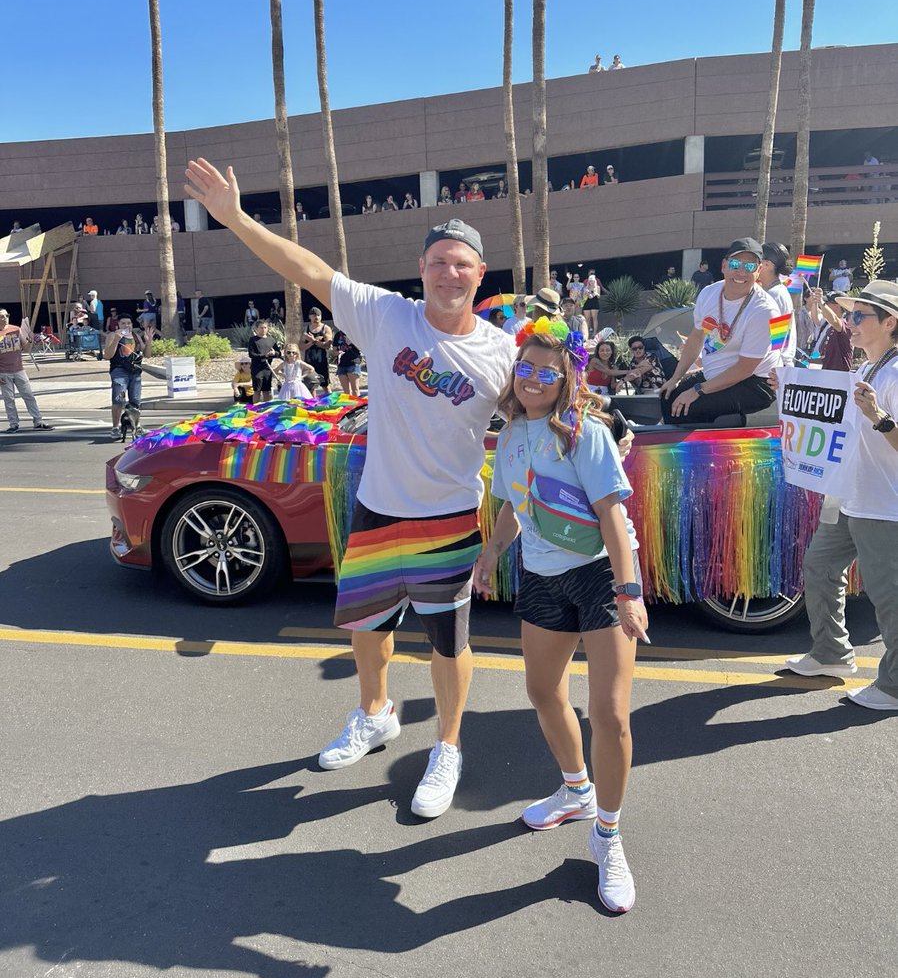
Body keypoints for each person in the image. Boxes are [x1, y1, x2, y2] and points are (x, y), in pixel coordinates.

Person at [185, 155, 519, 818]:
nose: (450, 272)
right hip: (377, 509)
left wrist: (598, 431)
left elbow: (541, 415)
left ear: (480, 275)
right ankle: (375, 714)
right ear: (421, 270)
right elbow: (303, 267)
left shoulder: (501, 352)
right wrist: (233, 218)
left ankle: (447, 747)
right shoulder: (384, 315)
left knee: (448, 644)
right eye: (438, 262)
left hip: (448, 518)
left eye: (463, 264)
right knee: (367, 627)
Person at [474, 321, 647, 913]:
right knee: (543, 690)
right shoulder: (512, 433)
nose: (534, 380)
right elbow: (513, 505)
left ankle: (608, 835)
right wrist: (493, 552)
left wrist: (629, 592)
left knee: (610, 714)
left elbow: (613, 519)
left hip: (599, 575)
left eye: (548, 371)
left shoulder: (584, 433)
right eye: (526, 368)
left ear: (567, 376)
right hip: (542, 576)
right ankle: (576, 790)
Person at [781, 280, 898, 711]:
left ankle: (895, 685)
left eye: (859, 316)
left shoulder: (895, 373)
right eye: (849, 314)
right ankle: (831, 653)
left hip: (885, 505)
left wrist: (880, 417)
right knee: (820, 566)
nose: (849, 322)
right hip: (853, 495)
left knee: (890, 597)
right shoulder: (868, 368)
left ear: (890, 323)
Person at [659, 237, 779, 424]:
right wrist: (676, 378)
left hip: (755, 382)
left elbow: (745, 368)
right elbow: (696, 337)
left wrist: (698, 390)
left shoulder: (764, 310)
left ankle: (700, 452)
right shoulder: (708, 293)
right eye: (735, 264)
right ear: (724, 266)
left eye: (749, 267)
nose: (741, 272)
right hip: (716, 373)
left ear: (759, 271)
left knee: (687, 409)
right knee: (668, 396)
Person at [0, 310, 52, 433]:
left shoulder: (16, 330)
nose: (5, 318)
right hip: (3, 371)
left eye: (7, 315)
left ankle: (38, 421)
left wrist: (29, 340)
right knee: (9, 399)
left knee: (28, 395)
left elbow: (25, 348)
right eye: (2, 316)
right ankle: (13, 424)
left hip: (18, 369)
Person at [103, 314, 145, 439]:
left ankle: (136, 426)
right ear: (118, 325)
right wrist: (116, 339)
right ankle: (115, 427)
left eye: (129, 323)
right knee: (118, 400)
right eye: (123, 323)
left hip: (135, 372)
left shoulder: (136, 336)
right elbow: (107, 355)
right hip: (119, 371)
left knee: (135, 401)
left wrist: (149, 341)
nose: (126, 325)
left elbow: (147, 353)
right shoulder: (112, 335)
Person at [758, 242, 796, 366]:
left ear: (767, 264)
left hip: (775, 369)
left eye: (757, 260)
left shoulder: (775, 294)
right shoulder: (775, 291)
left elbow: (777, 340)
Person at [805, 288, 852, 370]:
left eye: (827, 303)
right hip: (824, 373)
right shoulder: (826, 322)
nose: (823, 306)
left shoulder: (847, 325)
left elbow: (834, 320)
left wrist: (820, 301)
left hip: (838, 376)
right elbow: (815, 317)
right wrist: (815, 302)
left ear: (837, 306)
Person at [247, 319, 280, 403]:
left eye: (265, 327)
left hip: (267, 368)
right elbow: (251, 354)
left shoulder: (271, 340)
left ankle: (267, 408)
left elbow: (278, 353)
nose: (263, 329)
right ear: (257, 329)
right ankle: (255, 408)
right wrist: (264, 356)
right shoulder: (253, 340)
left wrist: (274, 353)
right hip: (257, 369)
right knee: (257, 390)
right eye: (261, 328)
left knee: (267, 390)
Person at [300, 307, 333, 389]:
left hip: (322, 362)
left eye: (318, 315)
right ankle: (313, 402)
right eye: (314, 315)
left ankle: (329, 402)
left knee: (325, 386)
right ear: (310, 317)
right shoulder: (306, 329)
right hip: (309, 362)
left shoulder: (325, 328)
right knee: (311, 387)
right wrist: (312, 342)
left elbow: (327, 345)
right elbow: (300, 347)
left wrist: (314, 341)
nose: (316, 317)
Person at [333, 329, 363, 395]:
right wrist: (338, 352)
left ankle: (358, 404)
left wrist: (352, 342)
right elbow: (334, 351)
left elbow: (362, 347)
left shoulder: (355, 332)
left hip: (353, 362)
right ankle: (349, 404)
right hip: (341, 363)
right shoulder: (338, 334)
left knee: (355, 389)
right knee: (346, 391)